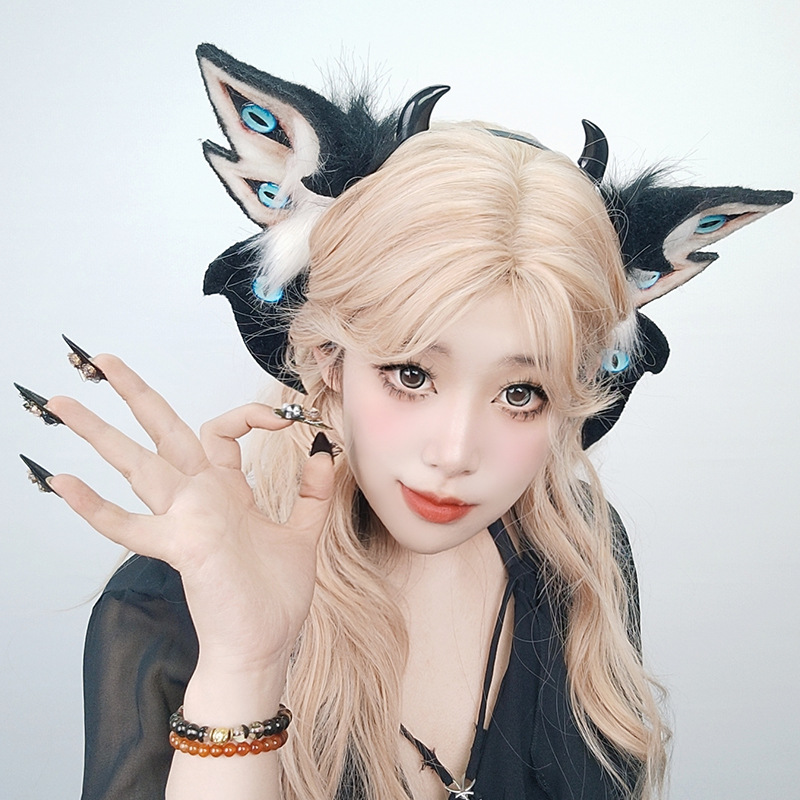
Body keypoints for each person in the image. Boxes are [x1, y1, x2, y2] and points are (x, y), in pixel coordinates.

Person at [18, 46, 790, 800]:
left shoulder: (581, 553)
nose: (455, 453)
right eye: (412, 375)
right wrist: (244, 668)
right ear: (329, 363)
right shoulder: (167, 602)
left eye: (521, 393)